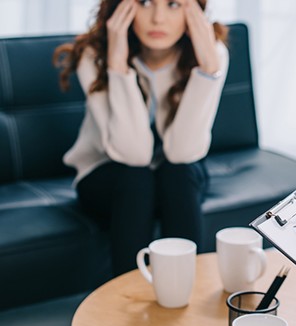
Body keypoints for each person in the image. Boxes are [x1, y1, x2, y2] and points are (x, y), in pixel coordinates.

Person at [54, 0, 229, 275]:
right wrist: (118, 66)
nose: (158, 18)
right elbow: (133, 154)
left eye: (173, 4)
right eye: (145, 2)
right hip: (107, 176)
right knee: (137, 180)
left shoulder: (211, 53)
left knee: (179, 174)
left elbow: (182, 153)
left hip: (175, 176)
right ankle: (126, 300)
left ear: (193, 9)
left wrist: (208, 71)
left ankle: (184, 295)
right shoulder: (94, 54)